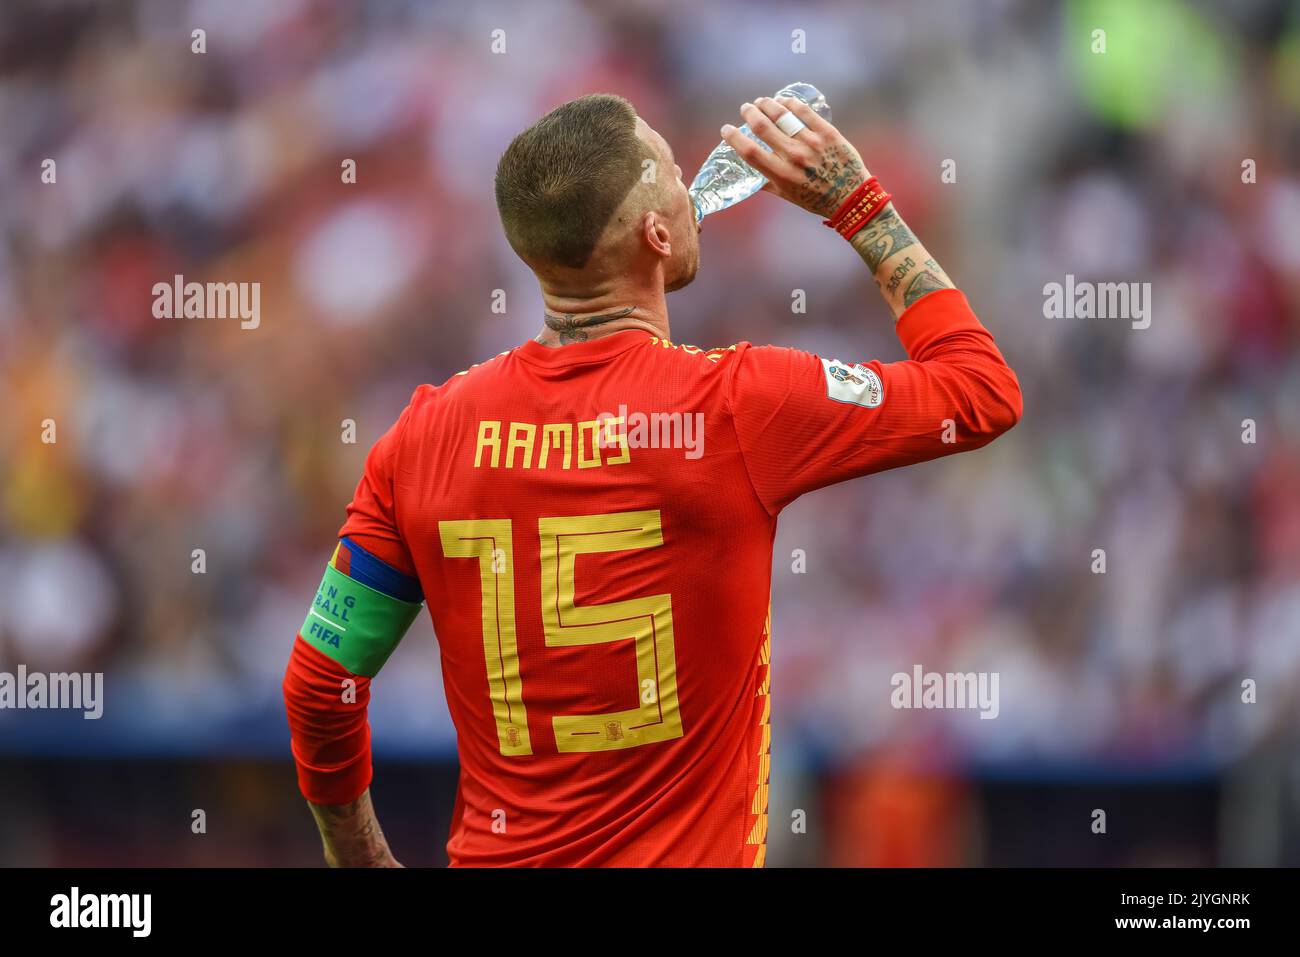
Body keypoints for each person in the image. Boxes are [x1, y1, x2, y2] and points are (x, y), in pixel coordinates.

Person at [283, 92, 1022, 867]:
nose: (696, 175)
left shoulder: (426, 433)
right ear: (657, 233)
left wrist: (360, 855)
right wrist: (857, 203)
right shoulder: (736, 407)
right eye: (674, 166)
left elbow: (319, 679)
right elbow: (981, 390)